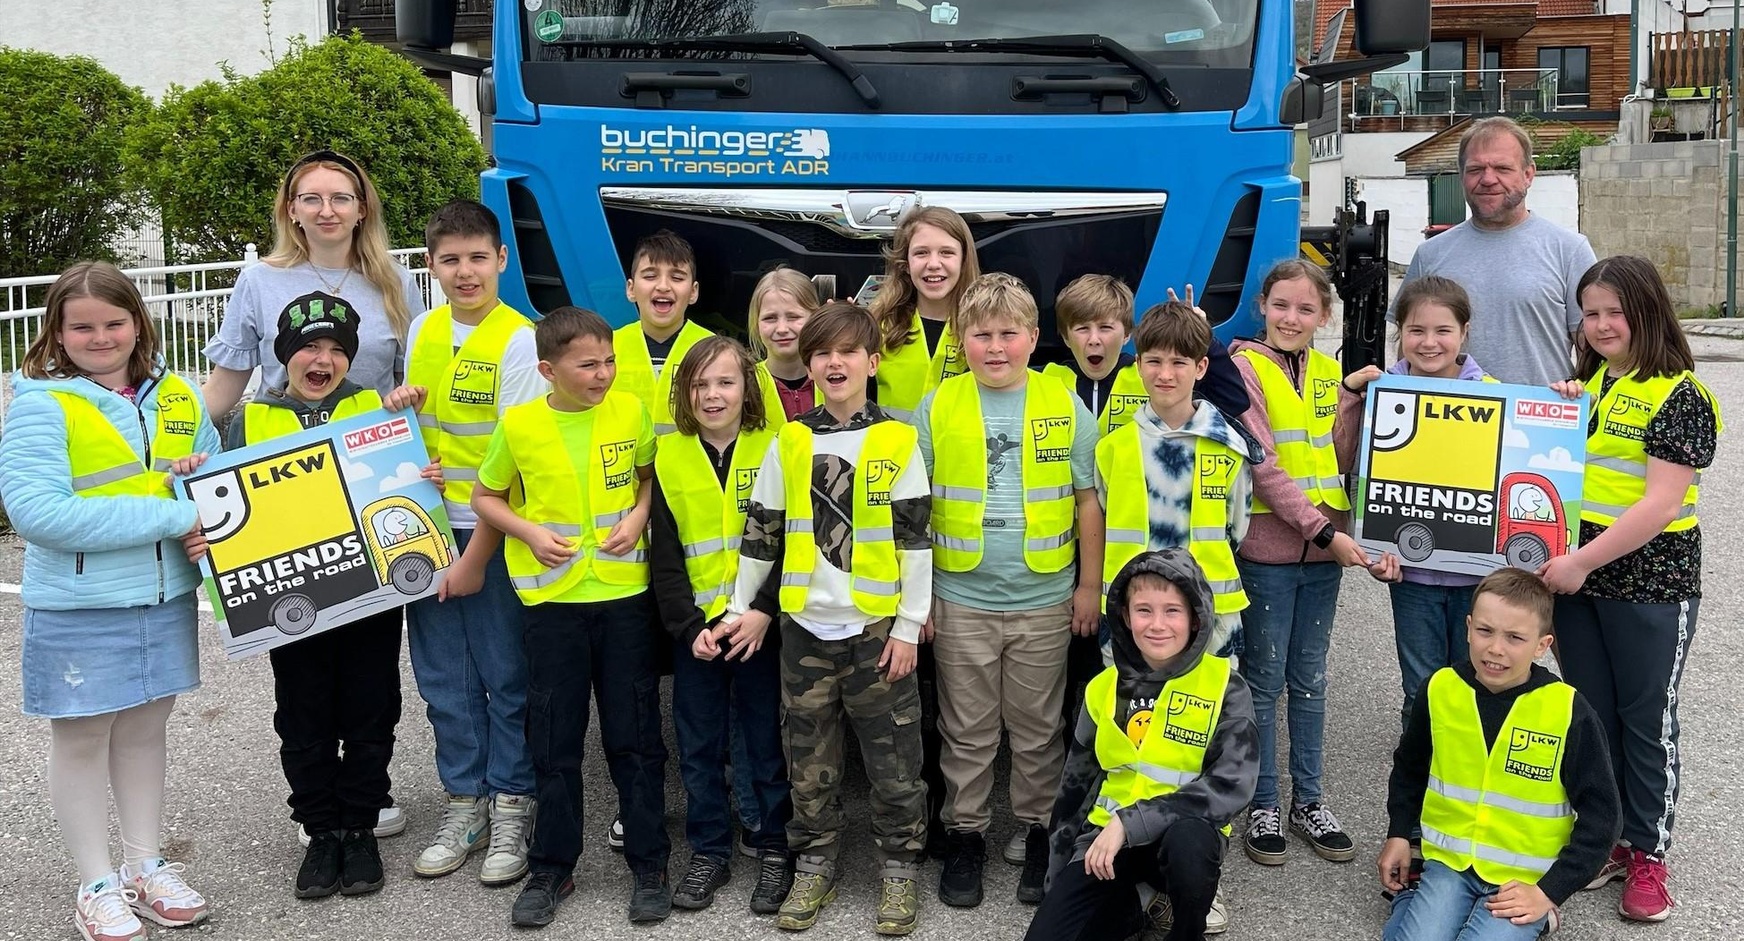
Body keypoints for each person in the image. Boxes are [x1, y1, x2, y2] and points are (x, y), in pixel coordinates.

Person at [185, 291, 434, 900]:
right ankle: (320, 831)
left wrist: (426, 467)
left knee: (372, 710)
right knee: (303, 718)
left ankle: (361, 826)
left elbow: (412, 470)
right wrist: (201, 524)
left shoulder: (377, 409)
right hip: (289, 604)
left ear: (350, 358)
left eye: (334, 349)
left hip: (367, 598)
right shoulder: (245, 420)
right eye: (307, 348)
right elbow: (217, 502)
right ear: (285, 356)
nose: (320, 359)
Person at [0, 262, 218, 941]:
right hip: (81, 604)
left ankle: (145, 865)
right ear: (57, 334)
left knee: (146, 730)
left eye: (113, 322)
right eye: (82, 326)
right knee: (84, 737)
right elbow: (37, 512)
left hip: (164, 598)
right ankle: (95, 881)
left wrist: (207, 525)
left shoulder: (178, 394)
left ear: (137, 323)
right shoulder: (41, 401)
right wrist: (168, 518)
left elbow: (212, 480)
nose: (100, 336)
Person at [719, 301, 933, 936]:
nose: (833, 362)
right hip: (805, 631)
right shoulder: (792, 440)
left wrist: (907, 625)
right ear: (807, 364)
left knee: (895, 757)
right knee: (810, 758)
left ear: (872, 362)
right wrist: (740, 606)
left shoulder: (897, 439)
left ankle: (899, 867)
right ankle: (815, 859)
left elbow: (915, 538)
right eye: (821, 353)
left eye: (846, 352)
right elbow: (762, 533)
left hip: (875, 632)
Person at [471, 307, 672, 928]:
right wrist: (527, 531)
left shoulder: (632, 411)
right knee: (554, 741)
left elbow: (647, 479)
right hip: (553, 605)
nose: (604, 374)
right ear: (547, 370)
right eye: (588, 365)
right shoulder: (521, 424)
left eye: (609, 360)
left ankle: (650, 861)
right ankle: (552, 867)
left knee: (635, 735)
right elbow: (485, 495)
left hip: (622, 598)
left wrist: (639, 517)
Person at [1537, 255, 1722, 924]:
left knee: (1645, 720)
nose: (1603, 323)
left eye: (1616, 311)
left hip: (1650, 579)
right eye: (1591, 313)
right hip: (1578, 574)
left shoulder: (1681, 392)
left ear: (1648, 312)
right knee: (1593, 713)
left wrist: (1581, 561)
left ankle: (1649, 852)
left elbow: (1662, 502)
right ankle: (1609, 837)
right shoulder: (1587, 385)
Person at [914, 273, 1104, 908]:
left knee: (1037, 727)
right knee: (965, 728)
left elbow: (1087, 501)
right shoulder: (939, 405)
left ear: (1033, 338)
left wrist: (1089, 586)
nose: (995, 347)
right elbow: (911, 509)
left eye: (1008, 334)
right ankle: (965, 834)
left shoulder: (1062, 402)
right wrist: (920, 601)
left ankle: (1037, 832)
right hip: (959, 597)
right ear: (962, 339)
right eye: (980, 335)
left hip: (1045, 599)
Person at [1094, 300, 1261, 934]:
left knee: (1203, 747)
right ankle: (1136, 866)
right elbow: (1105, 518)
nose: (1164, 375)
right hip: (1133, 632)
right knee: (1133, 742)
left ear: (1200, 367)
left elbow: (1236, 529)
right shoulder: (1114, 448)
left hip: (1211, 628)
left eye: (1178, 363)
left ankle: (1199, 873)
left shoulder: (1230, 448)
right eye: (1153, 361)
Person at [401, 199, 543, 887]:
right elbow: (412, 432)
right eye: (450, 259)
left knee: (503, 675)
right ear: (431, 264)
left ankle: (514, 800)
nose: (465, 271)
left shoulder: (520, 339)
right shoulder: (423, 329)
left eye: (477, 258)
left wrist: (475, 559)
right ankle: (466, 802)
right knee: (442, 680)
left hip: (488, 532)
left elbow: (512, 463)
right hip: (424, 527)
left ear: (501, 261)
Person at [1023, 549, 1258, 941]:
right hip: (1106, 840)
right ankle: (1142, 903)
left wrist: (1130, 823)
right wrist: (1059, 884)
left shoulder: (1225, 686)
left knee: (1189, 848)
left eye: (1173, 611)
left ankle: (1185, 931)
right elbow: (1074, 792)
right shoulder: (1103, 687)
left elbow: (1233, 784)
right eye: (1144, 610)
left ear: (1195, 618)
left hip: (1181, 839)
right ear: (1125, 616)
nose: (1158, 625)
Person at [1229, 259, 1379, 868]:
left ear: (1325, 317)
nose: (1292, 318)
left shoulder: (1327, 371)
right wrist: (1323, 532)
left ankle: (1310, 801)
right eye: (1282, 306)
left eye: (1306, 309)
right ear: (1263, 306)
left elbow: (1341, 459)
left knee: (1310, 679)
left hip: (1321, 556)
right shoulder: (1243, 368)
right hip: (1272, 551)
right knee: (1264, 680)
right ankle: (1262, 803)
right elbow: (1262, 464)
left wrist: (1348, 404)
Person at [1377, 568, 1621, 940]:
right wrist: (1398, 834)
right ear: (1469, 627)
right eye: (1485, 631)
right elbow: (1410, 768)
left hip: (1525, 878)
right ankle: (1413, 900)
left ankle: (1543, 915)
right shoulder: (1440, 689)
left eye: (1515, 638)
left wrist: (1548, 892)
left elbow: (1603, 817)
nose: (1496, 649)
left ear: (1542, 645)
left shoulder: (1568, 710)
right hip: (1451, 864)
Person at [650, 336, 795, 915]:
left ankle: (774, 845)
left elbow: (793, 540)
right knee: (699, 746)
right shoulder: (669, 456)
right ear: (685, 393)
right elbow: (665, 558)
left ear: (747, 388)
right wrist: (689, 629)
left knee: (765, 742)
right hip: (700, 635)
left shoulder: (779, 446)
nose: (713, 394)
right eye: (700, 384)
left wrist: (763, 611)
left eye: (726, 382)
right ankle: (708, 849)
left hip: (760, 625)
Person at [202, 150, 424, 424]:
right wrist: (173, 447)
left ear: (362, 209)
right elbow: (222, 390)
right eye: (311, 199)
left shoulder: (396, 282)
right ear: (292, 209)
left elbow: (414, 385)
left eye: (341, 199)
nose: (327, 211)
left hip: (371, 456)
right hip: (284, 455)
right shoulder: (258, 281)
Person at [1365, 276, 1496, 727]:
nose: (1429, 342)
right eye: (1416, 331)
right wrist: (1372, 550)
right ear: (1399, 332)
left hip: (1478, 576)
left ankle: (1469, 775)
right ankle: (1419, 782)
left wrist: (1564, 399)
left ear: (1464, 332)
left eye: (1443, 331)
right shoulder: (1378, 393)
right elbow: (1354, 468)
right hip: (1411, 574)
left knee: (1477, 682)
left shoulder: (1495, 393)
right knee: (1420, 687)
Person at [1396, 117, 1597, 386]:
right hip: (1449, 421)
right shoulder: (1430, 255)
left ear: (1528, 174)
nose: (1488, 179)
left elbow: (1591, 346)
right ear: (1462, 176)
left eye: (1502, 168)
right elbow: (1408, 350)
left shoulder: (1570, 251)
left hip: (1537, 422)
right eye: (1476, 169)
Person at [1044, 275, 1250, 438]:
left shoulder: (1153, 375)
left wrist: (1200, 336)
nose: (1094, 339)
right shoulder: (1048, 381)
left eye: (1105, 327)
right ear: (1066, 337)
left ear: (1126, 334)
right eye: (1082, 329)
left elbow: (1233, 401)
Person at [868, 206, 979, 421]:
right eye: (921, 253)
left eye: (946, 252)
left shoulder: (983, 329)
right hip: (895, 451)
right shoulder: (879, 326)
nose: (934, 264)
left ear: (964, 260)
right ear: (906, 264)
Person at [612, 229, 727, 436]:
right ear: (631, 289)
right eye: (650, 276)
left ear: (693, 292)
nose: (663, 286)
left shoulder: (715, 350)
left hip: (688, 466)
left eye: (677, 277)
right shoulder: (608, 348)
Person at [749, 267, 822, 420]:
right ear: (756, 323)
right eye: (770, 318)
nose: (782, 329)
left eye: (793, 317)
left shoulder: (834, 378)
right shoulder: (745, 384)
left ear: (814, 319)